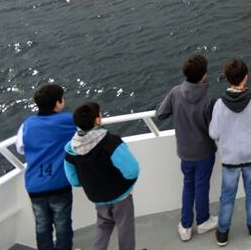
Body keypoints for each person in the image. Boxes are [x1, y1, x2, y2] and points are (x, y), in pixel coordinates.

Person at [208, 58, 251, 246]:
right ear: (245, 78)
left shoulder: (220, 104)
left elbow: (213, 133)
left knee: (227, 197)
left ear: (227, 78)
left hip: (230, 160)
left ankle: (222, 232)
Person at [155, 54, 218, 241]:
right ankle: (204, 220)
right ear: (203, 75)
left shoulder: (175, 92)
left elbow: (160, 113)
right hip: (205, 152)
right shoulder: (209, 99)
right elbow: (213, 130)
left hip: (184, 151)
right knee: (202, 185)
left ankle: (185, 225)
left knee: (188, 185)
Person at [63, 102, 140, 250]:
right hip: (121, 196)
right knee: (125, 229)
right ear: (97, 120)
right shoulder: (111, 142)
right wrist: (126, 187)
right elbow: (132, 171)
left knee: (103, 227)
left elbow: (74, 180)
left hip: (97, 197)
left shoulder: (71, 150)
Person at [16, 84, 78, 250]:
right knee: (63, 225)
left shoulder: (27, 124)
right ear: (58, 103)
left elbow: (20, 148)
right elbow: (84, 133)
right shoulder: (68, 120)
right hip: (59, 183)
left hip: (34, 185)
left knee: (42, 226)